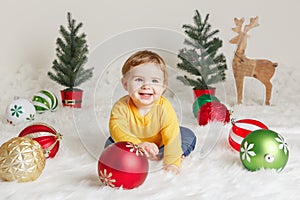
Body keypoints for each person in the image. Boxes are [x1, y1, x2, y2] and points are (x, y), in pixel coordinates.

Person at [104, 50, 196, 174]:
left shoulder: (164, 107)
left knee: (186, 134)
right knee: (110, 144)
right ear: (125, 84)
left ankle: (176, 155)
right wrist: (138, 145)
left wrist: (172, 164)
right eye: (139, 80)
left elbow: (171, 136)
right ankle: (140, 155)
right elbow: (118, 130)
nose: (146, 86)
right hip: (133, 143)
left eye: (154, 81)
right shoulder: (121, 107)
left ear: (163, 86)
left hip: (161, 144)